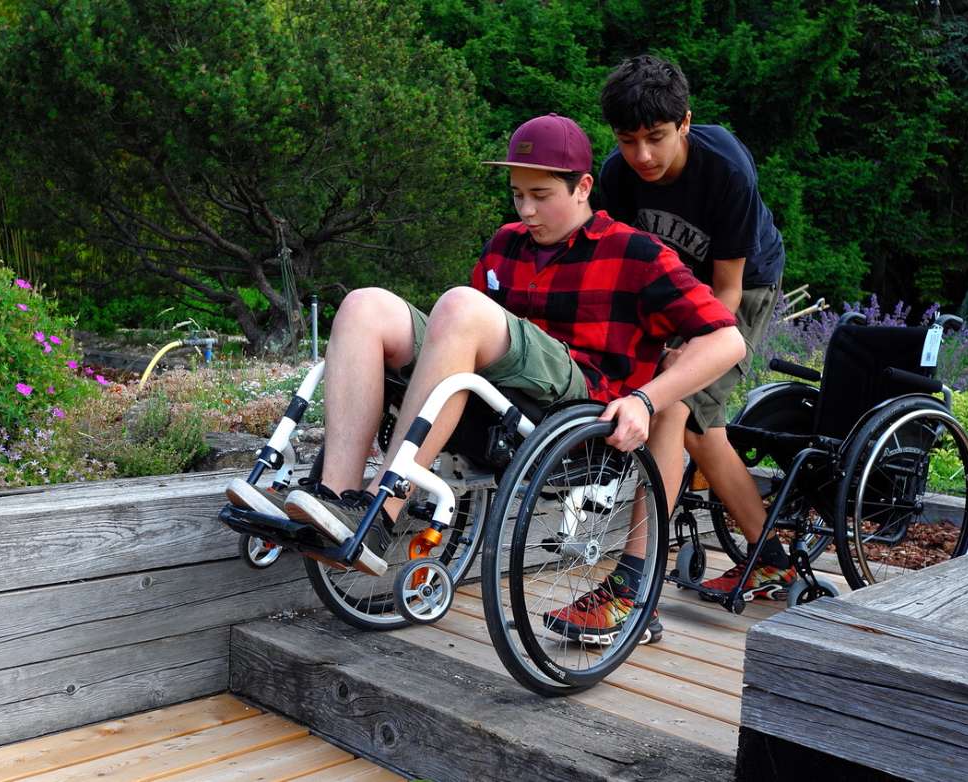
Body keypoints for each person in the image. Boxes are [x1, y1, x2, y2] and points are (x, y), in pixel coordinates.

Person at [232, 113, 744, 645]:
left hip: (571, 399)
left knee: (459, 304)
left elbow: (727, 340)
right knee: (365, 306)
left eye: (541, 195)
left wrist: (644, 399)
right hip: (493, 396)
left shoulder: (635, 253)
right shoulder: (508, 244)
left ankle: (381, 510)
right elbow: (464, 336)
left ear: (584, 186)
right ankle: (337, 499)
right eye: (518, 194)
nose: (526, 210)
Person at [597, 55, 794, 601]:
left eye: (656, 137)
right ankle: (773, 559)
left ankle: (635, 581)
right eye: (627, 140)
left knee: (675, 409)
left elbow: (726, 291)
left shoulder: (725, 170)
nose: (643, 155)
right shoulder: (617, 176)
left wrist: (685, 357)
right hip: (671, 287)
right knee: (699, 431)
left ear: (685, 122)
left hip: (742, 286)